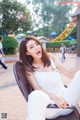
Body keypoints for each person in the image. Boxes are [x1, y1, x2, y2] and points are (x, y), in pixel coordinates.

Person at [19, 36, 80, 120]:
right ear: (27, 53)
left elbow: (70, 74)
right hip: (49, 106)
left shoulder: (52, 60)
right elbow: (37, 88)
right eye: (31, 47)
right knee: (35, 94)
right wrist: (54, 97)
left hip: (65, 101)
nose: (36, 47)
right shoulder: (28, 68)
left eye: (37, 44)